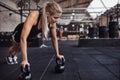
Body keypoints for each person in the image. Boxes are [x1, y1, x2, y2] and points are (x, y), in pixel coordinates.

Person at [6, 1, 64, 68]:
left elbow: (54, 38)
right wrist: (25, 60)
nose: (56, 20)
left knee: (20, 49)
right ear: (48, 14)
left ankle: (13, 55)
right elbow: (23, 37)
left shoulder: (52, 22)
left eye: (58, 17)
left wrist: (57, 54)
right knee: (15, 48)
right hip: (20, 32)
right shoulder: (34, 15)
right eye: (55, 17)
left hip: (31, 36)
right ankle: (9, 56)